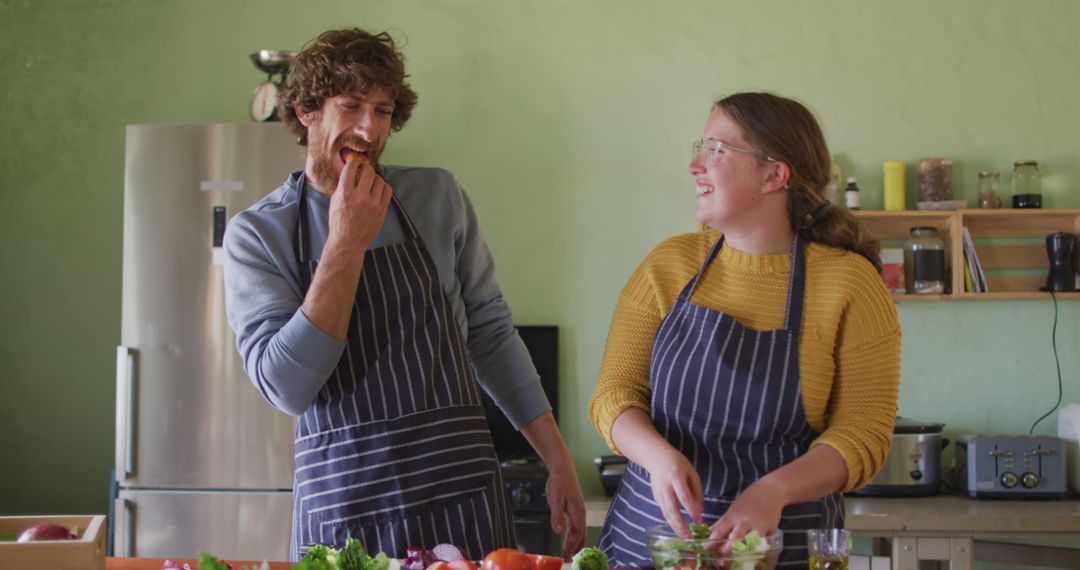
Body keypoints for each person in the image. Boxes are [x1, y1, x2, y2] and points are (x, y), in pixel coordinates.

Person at [223, 27, 585, 562]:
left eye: (384, 110)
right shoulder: (257, 234)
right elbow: (286, 386)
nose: (369, 128)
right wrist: (345, 241)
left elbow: (489, 332)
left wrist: (556, 457)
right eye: (350, 106)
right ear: (306, 112)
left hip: (464, 497)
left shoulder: (437, 197)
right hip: (346, 509)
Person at [588, 92, 900, 566]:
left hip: (785, 548)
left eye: (715, 150)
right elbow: (614, 395)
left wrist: (772, 491)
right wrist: (658, 457)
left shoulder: (849, 283)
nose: (695, 165)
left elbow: (863, 435)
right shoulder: (668, 265)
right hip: (654, 544)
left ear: (775, 174)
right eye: (700, 147)